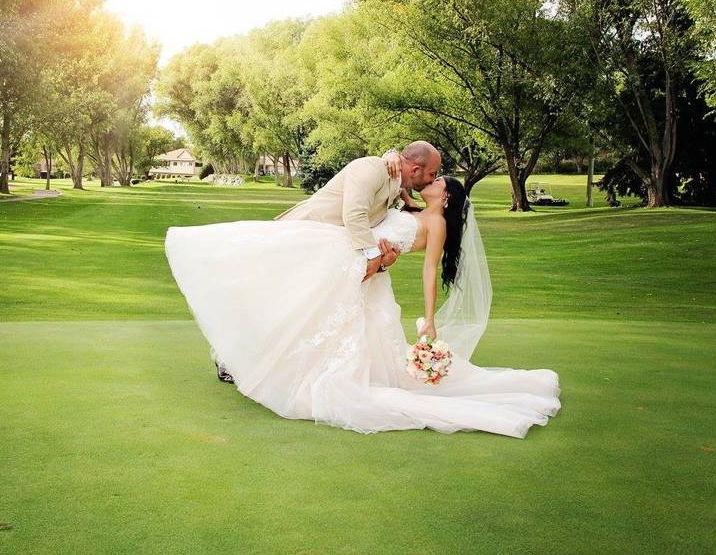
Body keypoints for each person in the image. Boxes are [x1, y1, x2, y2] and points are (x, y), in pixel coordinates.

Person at [165, 149, 561, 439]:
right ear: (417, 169)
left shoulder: (431, 218)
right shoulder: (395, 187)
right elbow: (362, 213)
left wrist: (394, 278)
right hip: (334, 248)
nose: (434, 180)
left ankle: (251, 362)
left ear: (446, 197)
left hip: (357, 265)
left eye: (438, 180)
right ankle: (235, 356)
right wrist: (378, 253)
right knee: (281, 299)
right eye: (434, 174)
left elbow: (421, 263)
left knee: (307, 316)